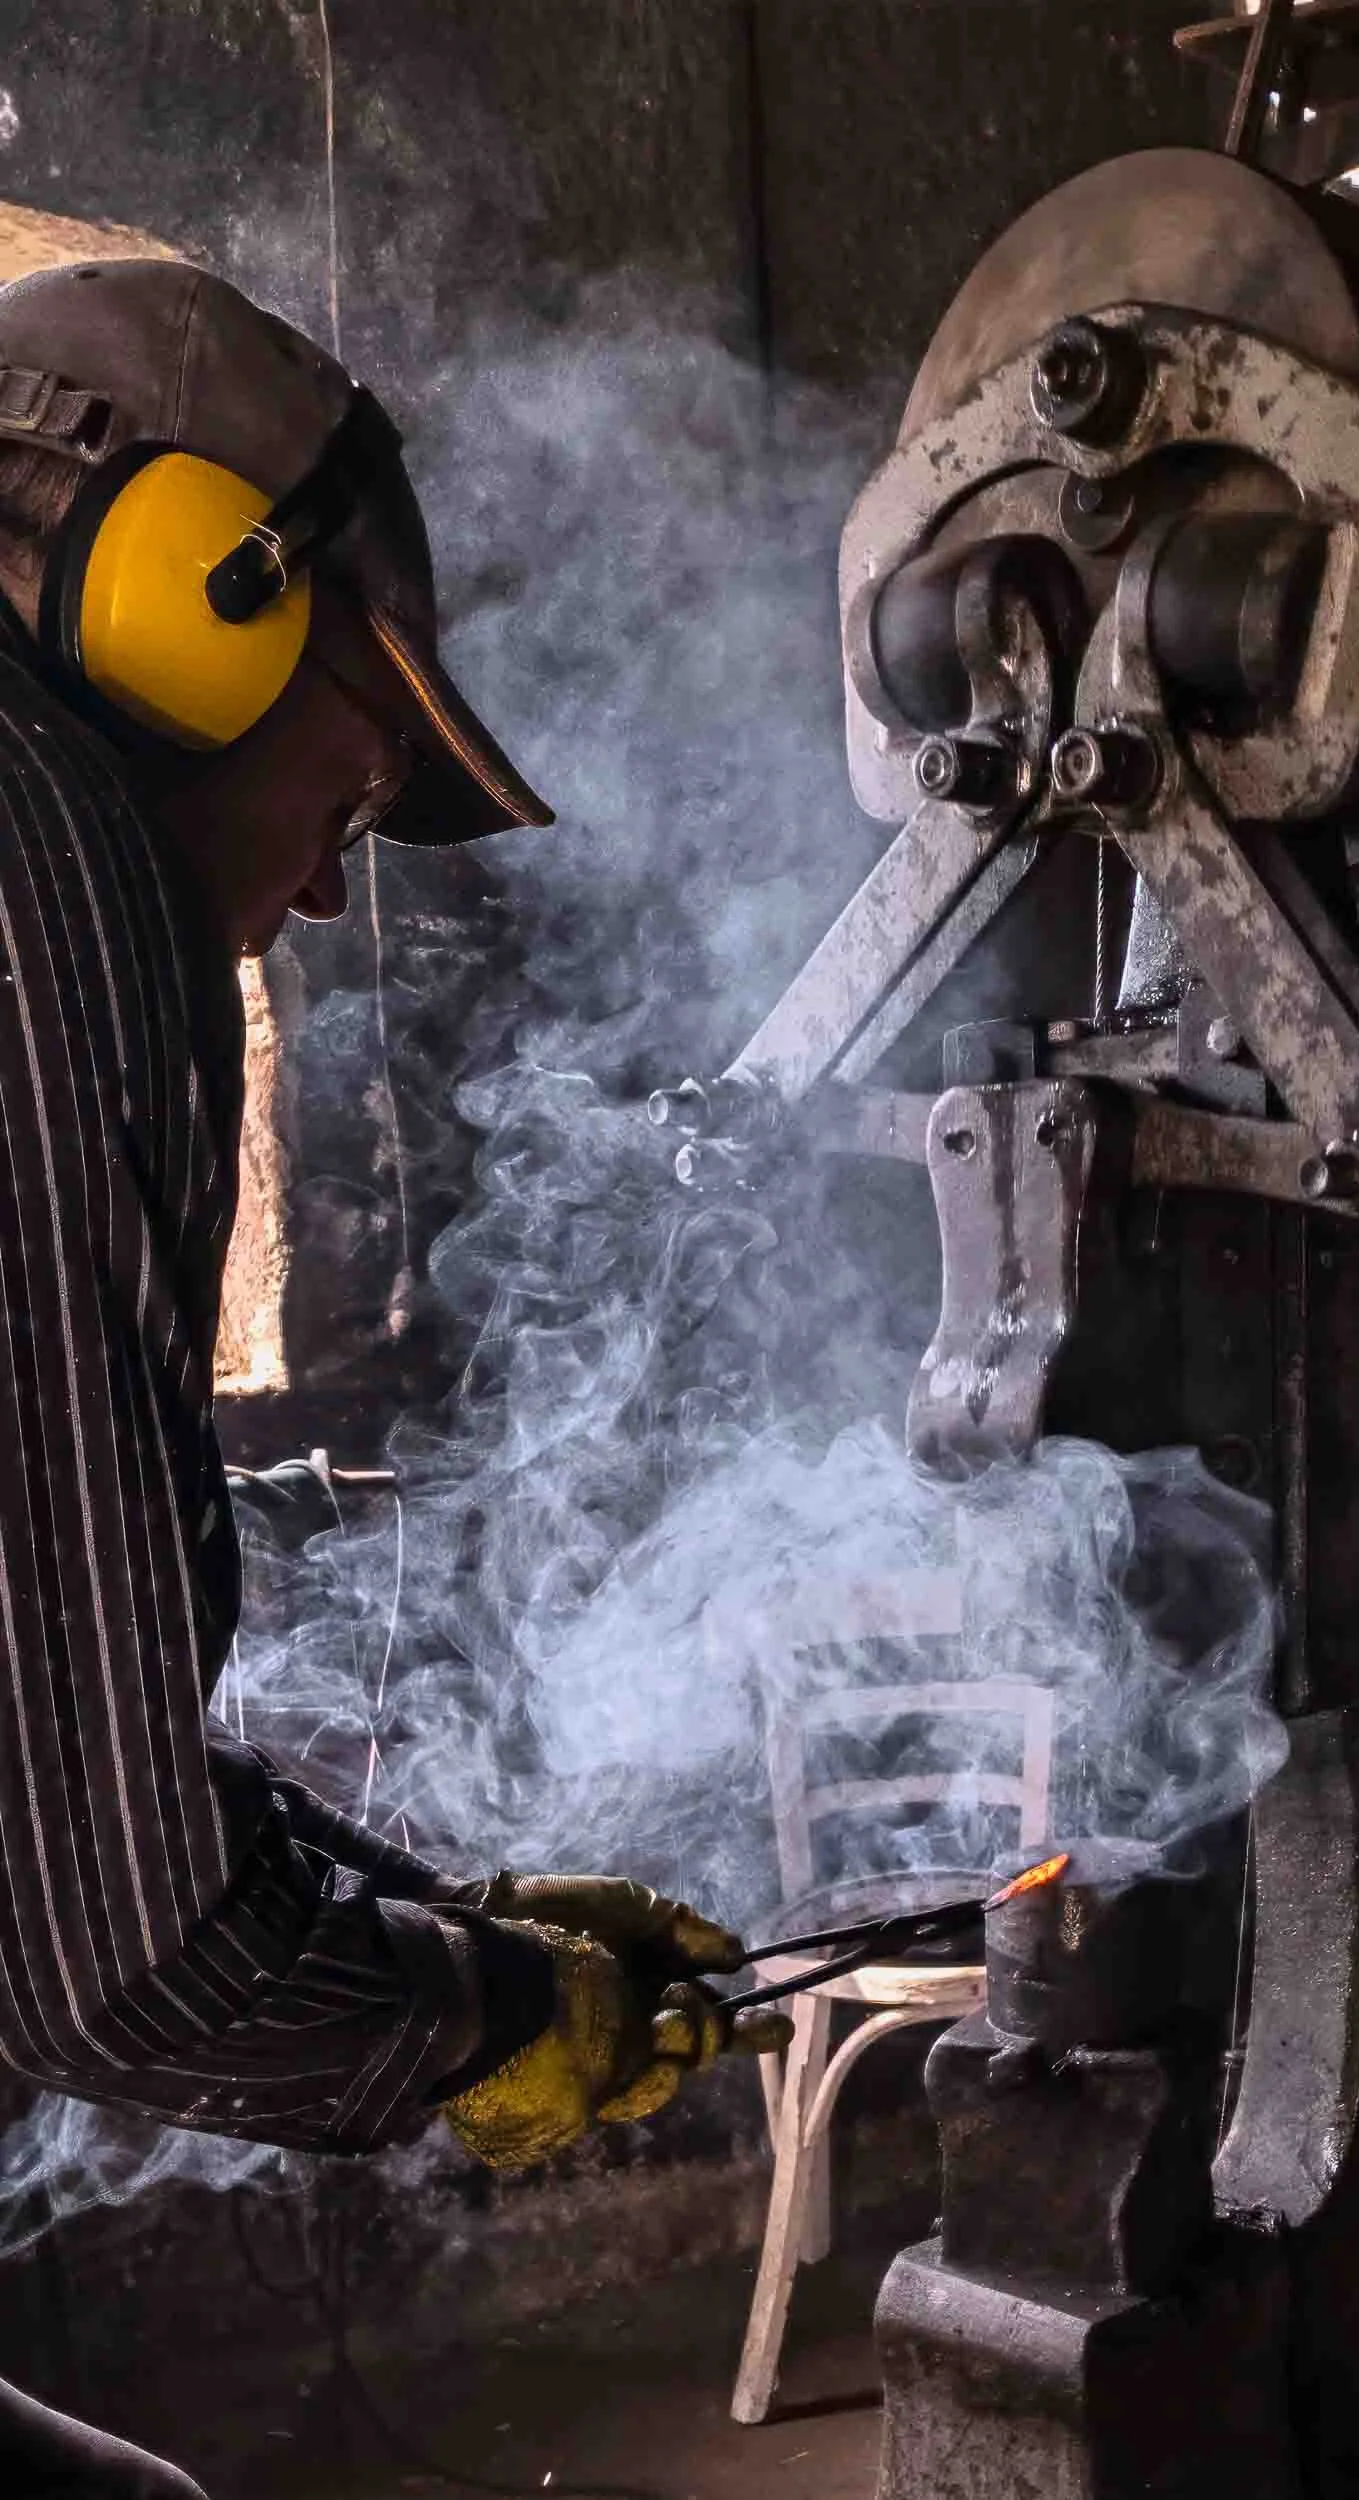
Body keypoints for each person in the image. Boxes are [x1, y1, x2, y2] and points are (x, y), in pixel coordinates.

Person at [0, 258, 788, 2498]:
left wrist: (447, 1928)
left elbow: (42, 1783)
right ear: (193, 599)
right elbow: (114, 1951)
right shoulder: (44, 871)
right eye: (357, 781)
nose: (338, 889)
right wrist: (483, 2015)